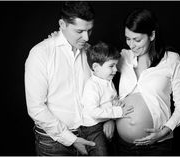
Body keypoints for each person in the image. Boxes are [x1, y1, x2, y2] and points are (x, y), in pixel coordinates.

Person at [25, 1, 114, 156]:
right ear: (62, 24)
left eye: (90, 30)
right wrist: (71, 139)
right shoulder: (40, 54)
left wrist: (108, 118)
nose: (86, 37)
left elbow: (102, 87)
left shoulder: (90, 52)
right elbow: (36, 108)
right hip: (53, 142)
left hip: (91, 133)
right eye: (79, 31)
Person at [115, 9, 180, 155]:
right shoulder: (123, 57)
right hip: (122, 145)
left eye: (137, 40)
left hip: (157, 145)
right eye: (128, 38)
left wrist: (164, 131)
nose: (132, 45)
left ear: (152, 35)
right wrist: (60, 37)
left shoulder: (172, 60)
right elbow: (94, 59)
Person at [79, 41, 134, 155]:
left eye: (115, 65)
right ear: (96, 67)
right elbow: (93, 111)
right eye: (111, 66)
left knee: (113, 150)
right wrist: (118, 111)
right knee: (101, 153)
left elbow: (109, 100)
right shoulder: (92, 86)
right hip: (92, 127)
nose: (115, 70)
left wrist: (115, 103)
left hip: (104, 121)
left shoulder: (108, 81)